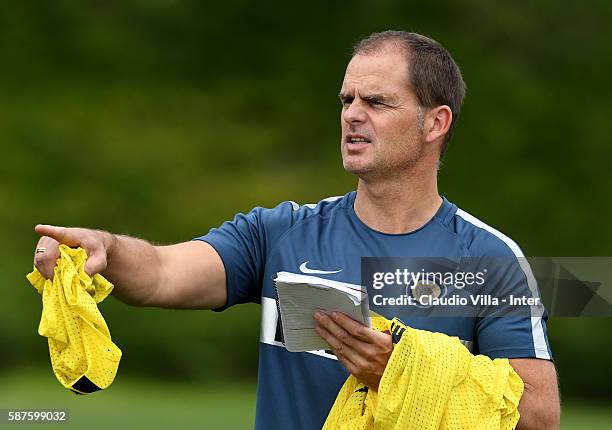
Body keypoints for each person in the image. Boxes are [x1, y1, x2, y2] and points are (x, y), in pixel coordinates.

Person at [33, 31, 560, 429]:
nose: (352, 114)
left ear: (435, 123)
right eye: (346, 100)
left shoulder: (489, 258)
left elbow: (540, 415)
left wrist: (405, 371)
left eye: (375, 102)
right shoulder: (278, 232)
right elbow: (160, 275)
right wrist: (107, 247)